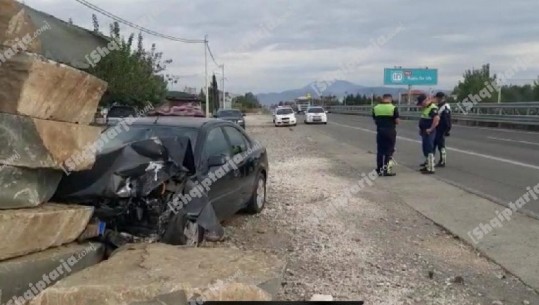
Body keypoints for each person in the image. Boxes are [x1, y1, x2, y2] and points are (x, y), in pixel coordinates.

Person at [372, 94, 400, 176]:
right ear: (390, 99)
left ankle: (379, 169)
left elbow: (375, 120)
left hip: (380, 131)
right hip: (390, 131)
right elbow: (397, 121)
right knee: (390, 151)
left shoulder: (375, 108)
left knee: (380, 151)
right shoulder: (393, 108)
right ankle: (387, 170)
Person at [417, 94, 440, 174]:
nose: (421, 105)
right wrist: (421, 129)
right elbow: (423, 118)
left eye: (421, 103)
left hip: (429, 131)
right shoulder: (425, 108)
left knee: (429, 148)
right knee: (425, 148)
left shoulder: (432, 108)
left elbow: (436, 119)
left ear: (425, 100)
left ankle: (431, 167)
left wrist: (431, 129)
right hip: (424, 131)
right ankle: (427, 165)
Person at [432, 92, 452, 167]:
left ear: (440, 98)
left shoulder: (445, 107)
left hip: (441, 128)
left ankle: (442, 161)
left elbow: (447, 120)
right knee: (433, 144)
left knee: (441, 145)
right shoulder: (439, 106)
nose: (436, 99)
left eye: (437, 98)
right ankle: (431, 160)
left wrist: (447, 130)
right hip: (437, 127)